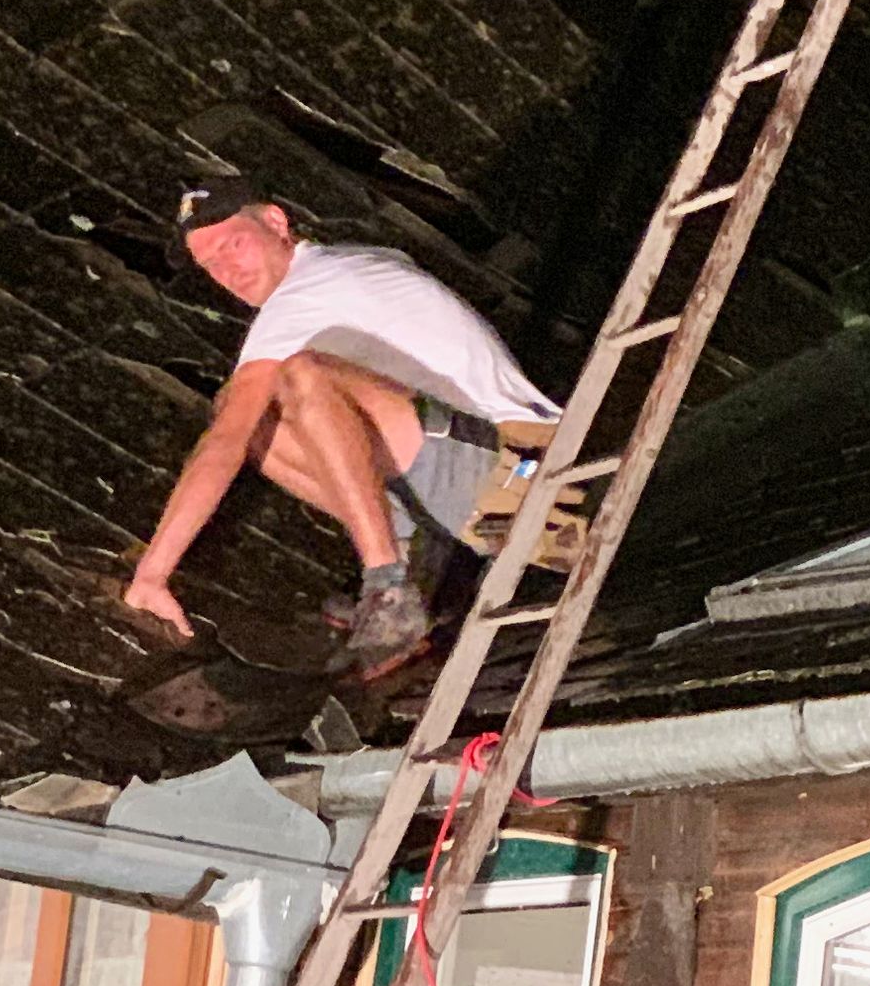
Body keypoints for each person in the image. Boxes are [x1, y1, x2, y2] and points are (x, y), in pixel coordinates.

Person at [125, 182, 563, 668]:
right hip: (482, 470)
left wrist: (152, 574)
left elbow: (222, 444)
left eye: (234, 244)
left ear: (275, 221)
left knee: (293, 379)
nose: (228, 271)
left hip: (528, 468)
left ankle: (389, 583)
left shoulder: (299, 300)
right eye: (211, 265)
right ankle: (412, 547)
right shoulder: (355, 260)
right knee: (251, 406)